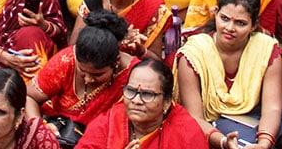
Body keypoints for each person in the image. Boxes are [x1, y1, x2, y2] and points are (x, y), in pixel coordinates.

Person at [176, 0, 282, 148]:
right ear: (215, 14)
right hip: (206, 130)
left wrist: (263, 144)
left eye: (240, 23)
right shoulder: (193, 55)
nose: (229, 28)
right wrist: (223, 142)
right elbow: (195, 117)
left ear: (254, 26)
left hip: (256, 122)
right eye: (224, 19)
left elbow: (272, 108)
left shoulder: (267, 50)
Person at [25, 10, 136, 127]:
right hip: (55, 127)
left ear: (116, 61)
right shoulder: (66, 61)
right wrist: (40, 130)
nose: (88, 79)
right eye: (82, 71)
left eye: (97, 75)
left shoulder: (133, 75)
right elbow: (29, 96)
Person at [77, 59, 208, 149]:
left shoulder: (187, 134)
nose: (136, 100)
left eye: (147, 94)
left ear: (167, 103)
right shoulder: (108, 123)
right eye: (131, 91)